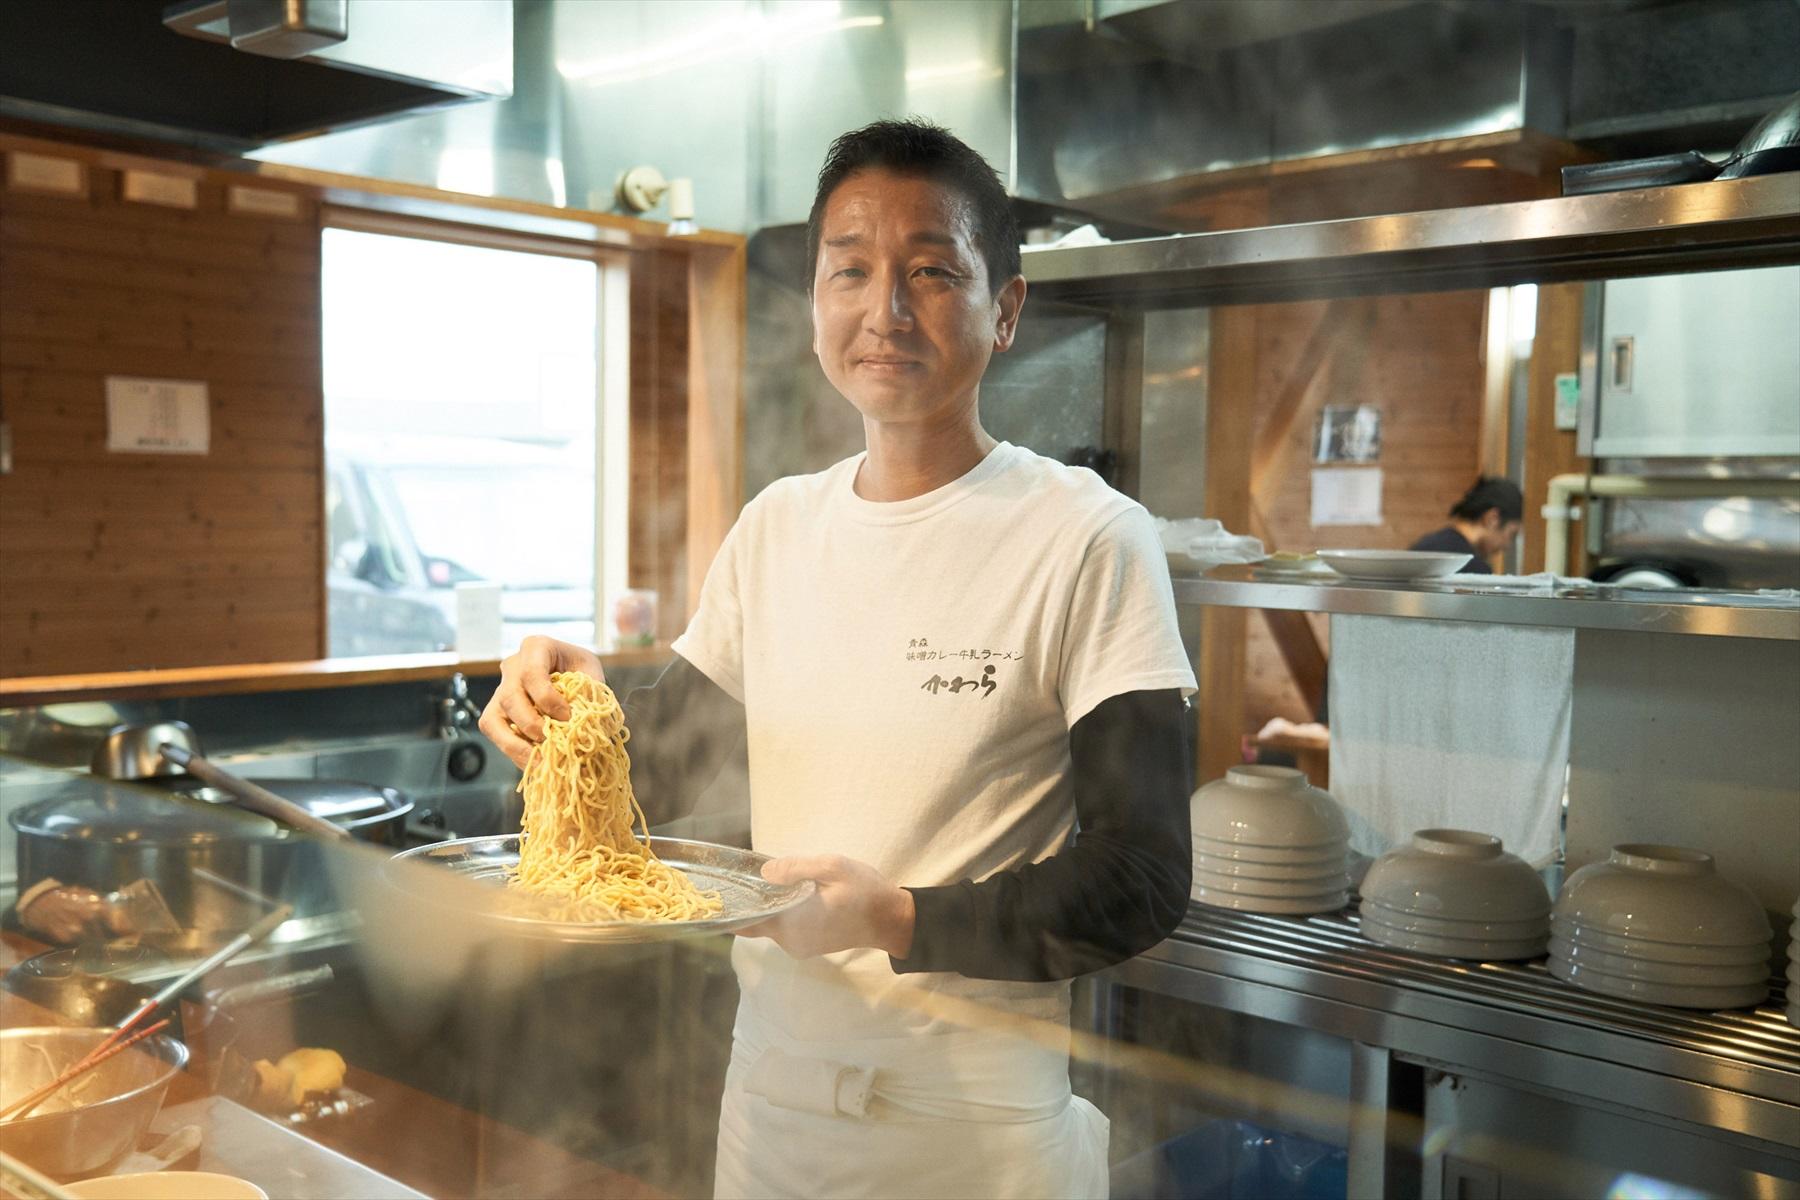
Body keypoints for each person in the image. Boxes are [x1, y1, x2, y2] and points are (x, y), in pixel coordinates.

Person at [480, 118, 1195, 1199]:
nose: (885, 310)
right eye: (850, 271)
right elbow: (655, 780)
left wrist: (897, 916)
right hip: (772, 1105)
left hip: (974, 1122)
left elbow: (1143, 877)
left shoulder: (1087, 537)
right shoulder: (777, 529)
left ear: (1006, 310)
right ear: (816, 303)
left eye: (931, 272)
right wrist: (569, 711)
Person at [1409, 477, 1524, 574]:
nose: (1507, 546)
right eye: (1512, 534)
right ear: (1492, 518)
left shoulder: (1429, 543)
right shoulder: (1473, 568)